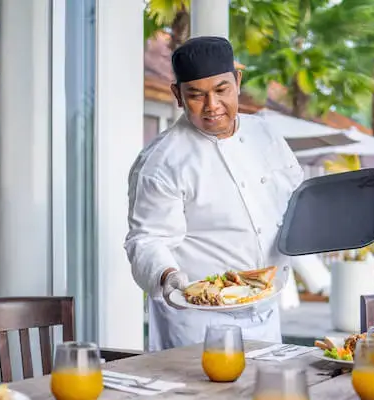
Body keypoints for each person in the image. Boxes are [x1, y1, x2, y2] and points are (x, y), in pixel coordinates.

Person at [125, 36, 304, 351]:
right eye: (196, 95)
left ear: (237, 81)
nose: (212, 106)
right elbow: (146, 240)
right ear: (177, 95)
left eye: (222, 90)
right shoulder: (162, 161)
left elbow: (298, 200)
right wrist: (168, 277)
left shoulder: (266, 135)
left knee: (265, 399)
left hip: (266, 312)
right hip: (196, 323)